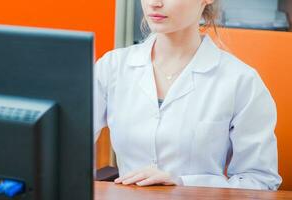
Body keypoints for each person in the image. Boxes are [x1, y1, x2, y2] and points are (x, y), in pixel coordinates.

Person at [94, 0, 282, 190]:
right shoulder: (112, 67)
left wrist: (183, 184)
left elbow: (260, 182)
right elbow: (69, 144)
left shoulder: (241, 81)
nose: (154, 3)